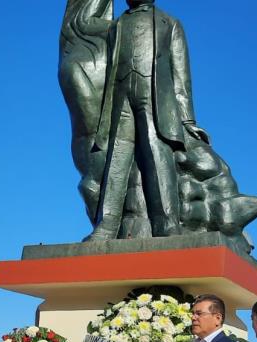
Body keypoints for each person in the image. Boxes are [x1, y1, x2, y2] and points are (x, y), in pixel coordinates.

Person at [86, 0, 206, 240]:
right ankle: (107, 225)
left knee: (156, 152)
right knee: (116, 159)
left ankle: (167, 225)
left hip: (154, 97)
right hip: (120, 97)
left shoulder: (170, 24)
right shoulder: (116, 26)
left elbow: (181, 77)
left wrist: (187, 121)